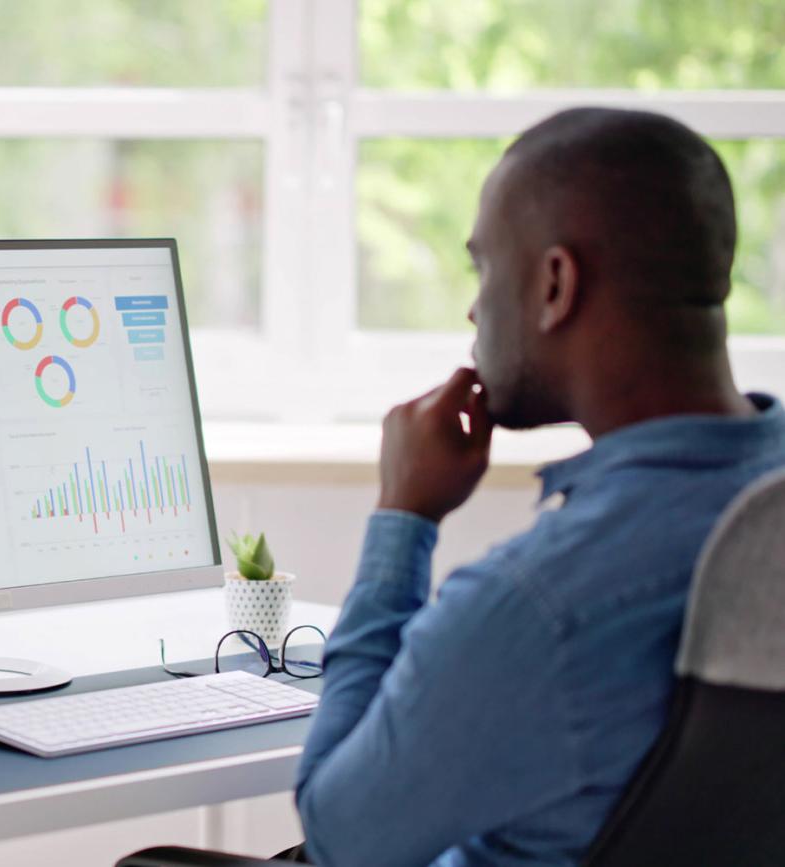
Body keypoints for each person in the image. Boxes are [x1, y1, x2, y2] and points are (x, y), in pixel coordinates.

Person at [293, 107, 785, 866]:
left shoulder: (537, 604)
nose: (473, 307)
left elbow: (341, 839)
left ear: (555, 283)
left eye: (483, 267)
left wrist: (403, 516)